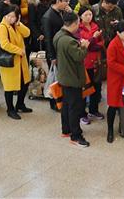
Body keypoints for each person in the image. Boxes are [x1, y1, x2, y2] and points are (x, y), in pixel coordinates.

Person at [53, 11, 90, 147]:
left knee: (67, 104)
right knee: (75, 107)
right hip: (72, 77)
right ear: (74, 24)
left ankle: (66, 129)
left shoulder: (59, 35)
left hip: (64, 75)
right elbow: (79, 56)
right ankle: (76, 135)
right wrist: (84, 46)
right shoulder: (68, 40)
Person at [0, 3, 33, 119]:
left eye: (14, 16)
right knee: (10, 87)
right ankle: (10, 109)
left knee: (24, 83)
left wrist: (19, 24)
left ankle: (20, 104)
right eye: (9, 16)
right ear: (5, 15)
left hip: (21, 61)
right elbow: (4, 44)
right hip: (10, 61)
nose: (11, 18)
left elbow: (27, 33)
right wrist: (19, 50)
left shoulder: (16, 25)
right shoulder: (2, 27)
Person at [76, 7, 105, 124]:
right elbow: (84, 45)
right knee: (84, 90)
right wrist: (93, 40)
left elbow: (101, 41)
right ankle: (82, 114)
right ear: (80, 16)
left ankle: (93, 110)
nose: (89, 17)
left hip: (96, 62)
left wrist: (93, 44)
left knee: (96, 88)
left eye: (90, 14)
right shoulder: (78, 29)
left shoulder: (95, 26)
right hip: (85, 63)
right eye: (86, 15)